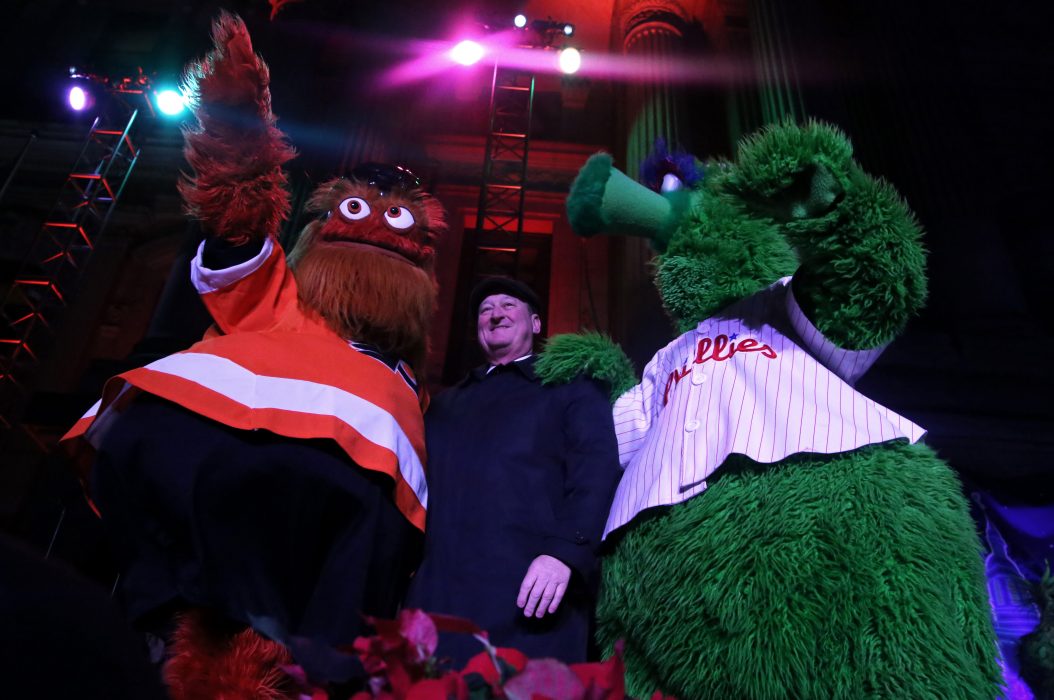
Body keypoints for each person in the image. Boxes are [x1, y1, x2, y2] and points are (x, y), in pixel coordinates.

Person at [405, 277, 621, 666]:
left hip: (533, 597)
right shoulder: (444, 406)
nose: (495, 314)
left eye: (508, 305)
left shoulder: (571, 387)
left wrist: (565, 553)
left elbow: (597, 469)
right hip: (438, 599)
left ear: (536, 324)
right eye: (485, 310)